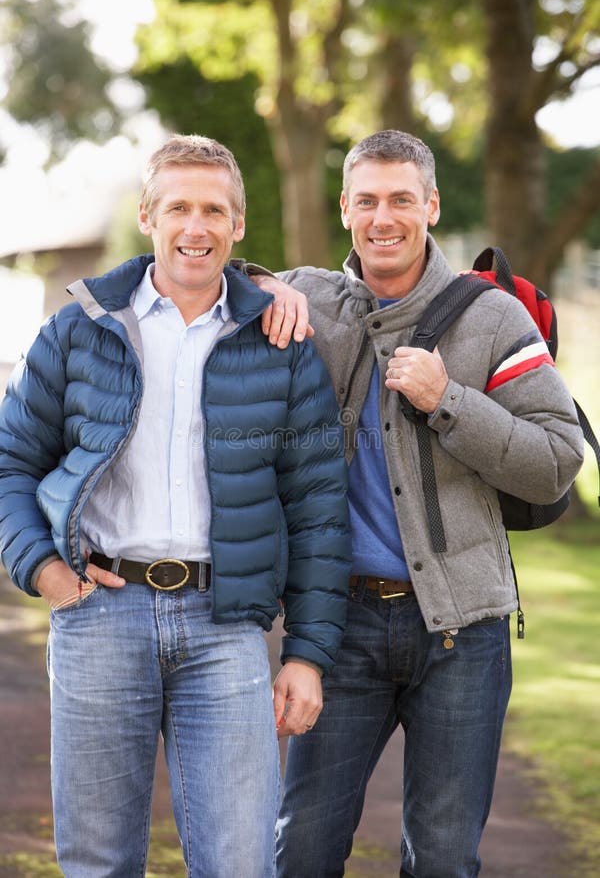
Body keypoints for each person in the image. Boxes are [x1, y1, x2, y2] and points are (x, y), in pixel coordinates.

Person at [0, 133, 351, 878]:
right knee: (98, 862)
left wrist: (308, 655)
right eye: (180, 208)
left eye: (214, 210)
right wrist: (42, 569)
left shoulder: (280, 343)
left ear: (238, 226)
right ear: (149, 216)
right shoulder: (79, 330)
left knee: (240, 860)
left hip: (226, 625)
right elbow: (10, 461)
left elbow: (318, 506)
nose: (197, 227)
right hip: (99, 615)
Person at [248, 129, 584, 878]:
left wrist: (449, 400)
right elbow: (195, 273)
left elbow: (558, 461)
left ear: (431, 205)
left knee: (441, 859)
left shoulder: (495, 319)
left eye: (402, 198)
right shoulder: (309, 302)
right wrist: (258, 279)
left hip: (463, 632)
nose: (383, 218)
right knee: (299, 848)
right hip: (339, 629)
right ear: (343, 208)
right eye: (366, 200)